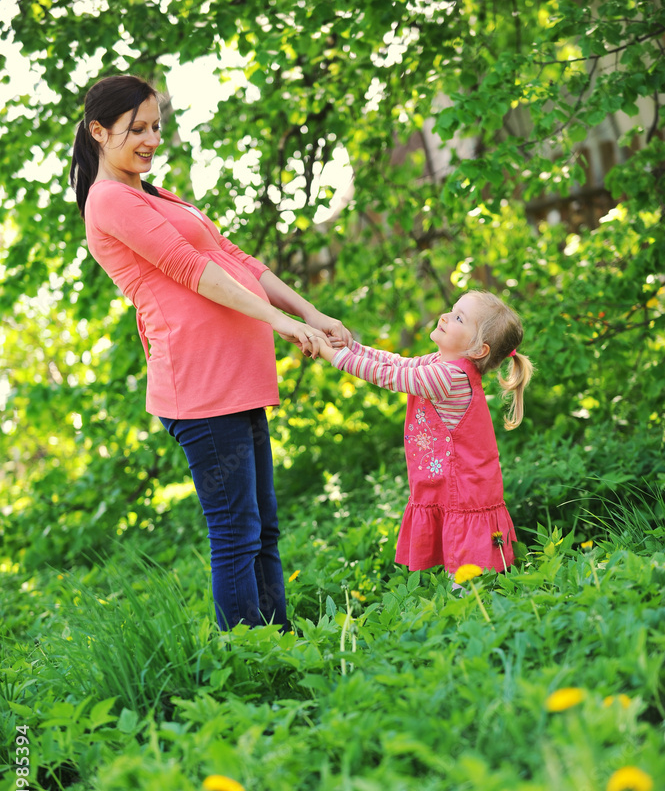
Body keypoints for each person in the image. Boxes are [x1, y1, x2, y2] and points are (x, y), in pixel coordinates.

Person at [70, 73, 351, 631]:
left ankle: (280, 645)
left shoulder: (152, 194)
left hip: (236, 377)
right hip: (200, 387)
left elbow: (231, 256)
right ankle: (246, 662)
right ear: (99, 132)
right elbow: (189, 270)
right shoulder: (109, 201)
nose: (151, 140)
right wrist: (278, 323)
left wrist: (308, 313)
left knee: (263, 529)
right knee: (235, 533)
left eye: (156, 127)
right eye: (137, 129)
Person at [318, 290, 533, 575]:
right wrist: (348, 346)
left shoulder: (449, 378)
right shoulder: (440, 364)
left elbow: (389, 376)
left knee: (466, 570)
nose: (445, 316)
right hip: (454, 486)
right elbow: (394, 362)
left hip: (465, 492)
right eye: (452, 309)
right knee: (461, 563)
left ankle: (469, 606)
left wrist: (331, 354)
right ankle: (467, 603)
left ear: (478, 349)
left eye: (459, 317)